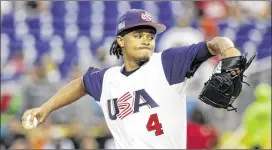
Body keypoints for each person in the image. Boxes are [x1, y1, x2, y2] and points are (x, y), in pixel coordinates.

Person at [22, 9, 242, 149]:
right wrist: (45, 108)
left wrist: (229, 50)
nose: (146, 40)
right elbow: (81, 83)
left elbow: (214, 44)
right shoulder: (107, 79)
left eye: (150, 36)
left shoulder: (167, 62)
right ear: (121, 41)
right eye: (138, 35)